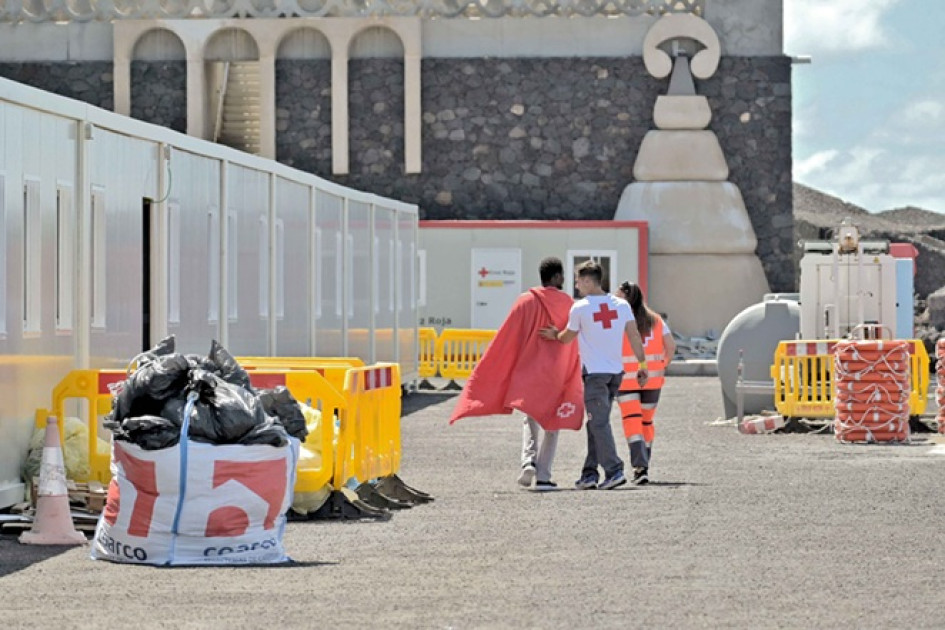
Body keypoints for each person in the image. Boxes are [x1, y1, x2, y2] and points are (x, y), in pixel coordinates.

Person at [450, 257, 584, 491]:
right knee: (552, 425)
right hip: (556, 374)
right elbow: (576, 338)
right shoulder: (570, 305)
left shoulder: (525, 301)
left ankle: (528, 462)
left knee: (530, 418)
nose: (564, 279)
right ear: (555, 277)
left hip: (529, 373)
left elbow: (507, 338)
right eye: (562, 274)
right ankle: (544, 476)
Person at [540, 261, 648, 490]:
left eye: (578, 281)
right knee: (596, 423)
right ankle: (589, 474)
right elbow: (634, 335)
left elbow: (568, 337)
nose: (577, 286)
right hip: (615, 375)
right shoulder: (621, 305)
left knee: (597, 423)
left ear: (588, 281)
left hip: (595, 375)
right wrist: (642, 363)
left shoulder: (581, 308)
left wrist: (554, 335)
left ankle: (614, 470)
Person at [615, 281, 676, 485]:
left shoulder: (620, 319)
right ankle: (644, 465)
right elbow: (671, 346)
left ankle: (640, 467)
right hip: (653, 380)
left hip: (626, 380)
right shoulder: (656, 320)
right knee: (646, 422)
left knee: (632, 421)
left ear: (624, 296)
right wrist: (661, 364)